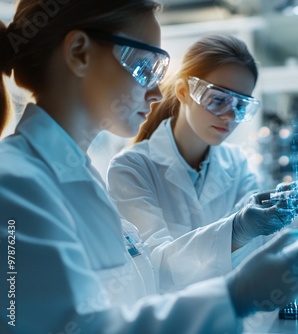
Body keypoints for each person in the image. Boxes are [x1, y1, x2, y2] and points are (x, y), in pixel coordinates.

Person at [0, 1, 298, 333]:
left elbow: (141, 294)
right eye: (144, 67)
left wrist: (249, 242)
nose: (155, 93)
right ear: (79, 53)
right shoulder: (15, 186)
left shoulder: (78, 178)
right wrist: (235, 296)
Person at [107, 34, 282, 292]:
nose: (230, 116)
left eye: (241, 105)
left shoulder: (238, 165)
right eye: (218, 99)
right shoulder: (130, 169)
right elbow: (153, 268)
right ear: (183, 91)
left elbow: (258, 257)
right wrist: (235, 232)